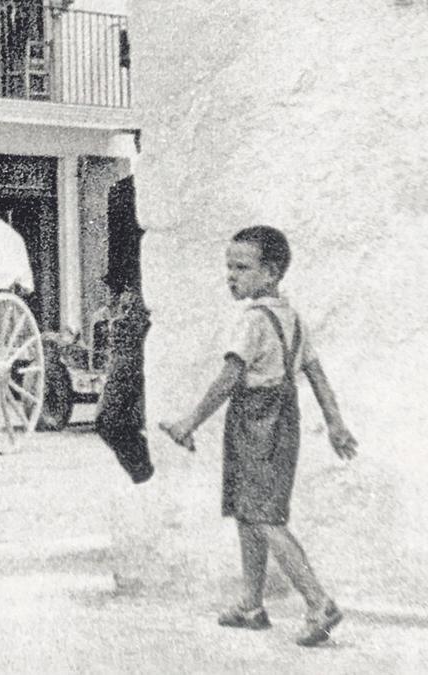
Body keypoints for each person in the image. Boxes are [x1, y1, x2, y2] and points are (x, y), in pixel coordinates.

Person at [159, 226, 358, 647]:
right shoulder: (293, 317)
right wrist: (335, 423)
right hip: (283, 420)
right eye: (228, 267)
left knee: (264, 517)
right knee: (250, 512)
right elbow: (316, 375)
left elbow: (229, 378)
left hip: (256, 422)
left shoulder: (252, 321)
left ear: (270, 273)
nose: (231, 276)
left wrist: (189, 422)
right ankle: (251, 605)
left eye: (241, 268)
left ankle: (318, 601)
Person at [95, 265, 154, 484]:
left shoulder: (130, 302)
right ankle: (144, 473)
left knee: (111, 422)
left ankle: (145, 474)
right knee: (110, 422)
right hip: (125, 362)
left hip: (131, 362)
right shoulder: (121, 303)